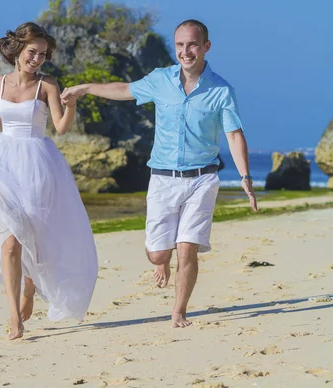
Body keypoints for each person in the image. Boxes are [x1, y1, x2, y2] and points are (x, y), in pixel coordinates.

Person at [61, 19, 258, 328]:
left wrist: (246, 177)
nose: (186, 51)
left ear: (206, 46)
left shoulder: (221, 90)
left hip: (203, 178)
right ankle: (161, 262)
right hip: (163, 178)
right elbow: (125, 89)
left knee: (188, 247)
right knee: (157, 254)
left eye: (192, 44)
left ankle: (179, 310)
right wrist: (86, 89)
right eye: (180, 45)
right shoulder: (160, 79)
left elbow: (234, 135)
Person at [0, 22, 98, 339]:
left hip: (37, 167)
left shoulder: (46, 85)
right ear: (18, 51)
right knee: (8, 245)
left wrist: (72, 105)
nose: (36, 59)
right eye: (32, 52)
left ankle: (31, 285)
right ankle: (14, 317)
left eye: (42, 54)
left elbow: (61, 127)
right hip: (0, 166)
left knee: (35, 241)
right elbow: (2, 117)